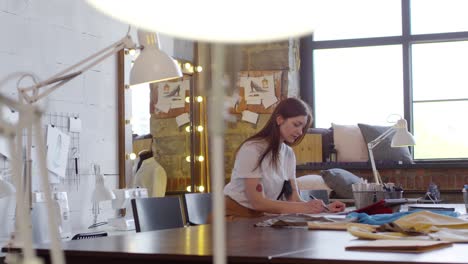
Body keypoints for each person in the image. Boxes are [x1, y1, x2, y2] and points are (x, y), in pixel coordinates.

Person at [223, 98, 345, 220]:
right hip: (233, 217)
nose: (300, 132)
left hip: (260, 218)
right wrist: (306, 207)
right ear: (279, 119)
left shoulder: (288, 153)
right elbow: (258, 202)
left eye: (303, 128)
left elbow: (294, 199)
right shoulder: (252, 149)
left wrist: (324, 208)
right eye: (296, 125)